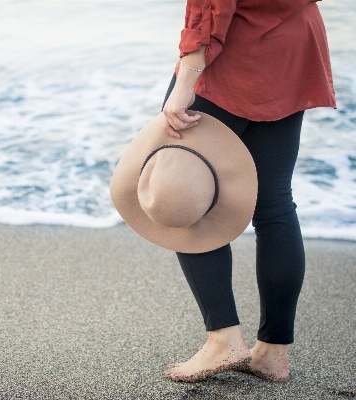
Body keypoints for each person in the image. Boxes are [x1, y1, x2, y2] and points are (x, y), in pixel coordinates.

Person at [160, 0, 336, 382]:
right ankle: (273, 354)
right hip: (292, 40)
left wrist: (185, 82)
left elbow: (209, 8)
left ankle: (223, 340)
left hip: (234, 52)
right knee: (274, 203)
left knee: (180, 195)